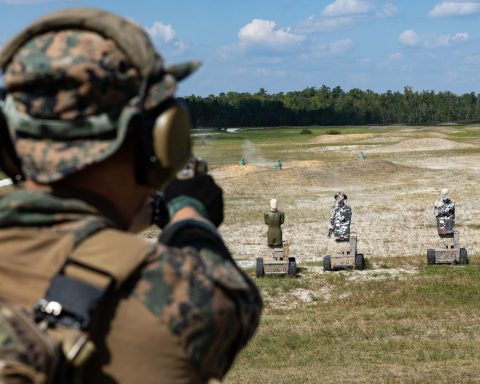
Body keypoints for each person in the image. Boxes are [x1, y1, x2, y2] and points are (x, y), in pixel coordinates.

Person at [0, 8, 261, 384]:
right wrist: (189, 211)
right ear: (159, 135)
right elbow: (233, 299)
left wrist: (135, 212)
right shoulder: (179, 291)